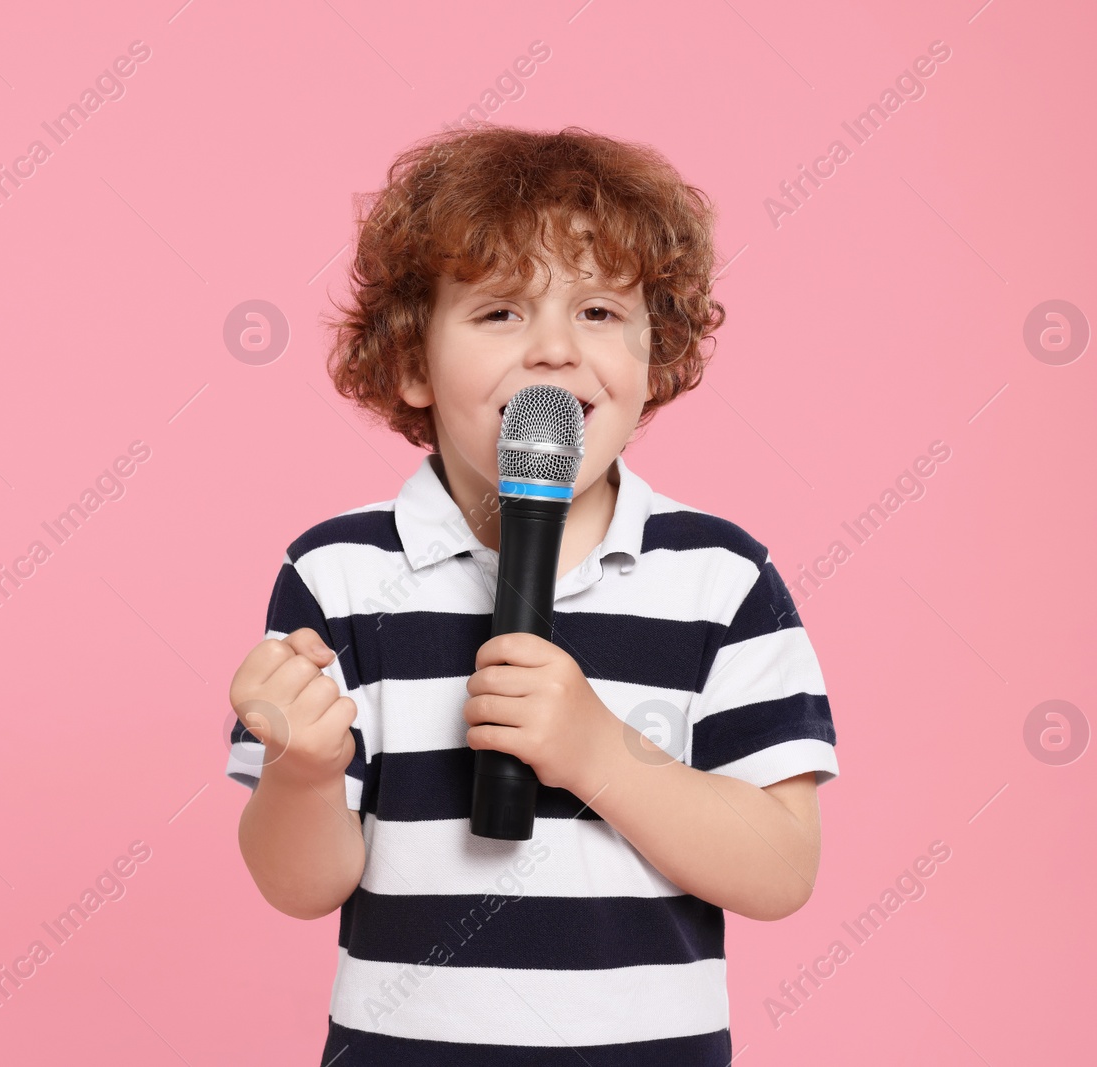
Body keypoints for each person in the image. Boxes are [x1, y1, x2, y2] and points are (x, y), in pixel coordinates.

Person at [224, 124, 838, 1066]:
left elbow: (781, 868)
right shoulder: (339, 573)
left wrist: (599, 752)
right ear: (411, 364)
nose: (554, 349)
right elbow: (302, 884)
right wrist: (303, 772)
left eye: (598, 312)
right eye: (501, 312)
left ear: (656, 357)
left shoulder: (722, 579)